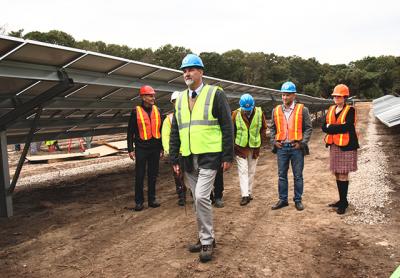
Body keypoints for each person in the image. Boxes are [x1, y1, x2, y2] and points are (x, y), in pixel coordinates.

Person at [169, 54, 234, 263]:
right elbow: (175, 131)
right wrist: (174, 159)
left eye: (192, 69)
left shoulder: (215, 94)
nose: (187, 73)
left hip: (209, 155)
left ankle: (207, 241)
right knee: (197, 200)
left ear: (201, 72)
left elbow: (226, 125)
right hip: (188, 157)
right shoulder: (179, 99)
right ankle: (204, 237)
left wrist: (227, 155)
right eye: (184, 70)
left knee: (201, 197)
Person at [270, 81, 312, 211]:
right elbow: (272, 128)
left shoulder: (302, 110)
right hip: (282, 147)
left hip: (296, 148)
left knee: (298, 175)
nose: (284, 97)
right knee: (282, 175)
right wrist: (274, 141)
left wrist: (302, 143)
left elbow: (308, 128)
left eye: (287, 95)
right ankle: (283, 200)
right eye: (283, 95)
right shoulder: (276, 110)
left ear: (294, 95)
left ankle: (298, 200)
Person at [322, 84, 359, 214]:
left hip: (347, 146)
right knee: (337, 173)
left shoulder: (351, 110)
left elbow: (347, 127)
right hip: (334, 145)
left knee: (343, 174)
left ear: (345, 97)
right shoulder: (331, 109)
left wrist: (330, 126)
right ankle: (341, 200)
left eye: (339, 96)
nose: (336, 98)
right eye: (335, 96)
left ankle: (343, 203)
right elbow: (323, 127)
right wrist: (334, 126)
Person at [127, 85, 163, 211]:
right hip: (141, 148)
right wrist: (130, 149)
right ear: (143, 97)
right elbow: (130, 132)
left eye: (153, 95)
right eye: (150, 95)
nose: (153, 97)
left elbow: (161, 130)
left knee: (153, 175)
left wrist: (162, 148)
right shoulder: (135, 111)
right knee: (140, 175)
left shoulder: (158, 110)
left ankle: (152, 199)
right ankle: (139, 201)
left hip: (155, 147)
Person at [232, 93, 268, 206]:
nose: (247, 112)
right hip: (240, 148)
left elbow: (263, 128)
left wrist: (260, 141)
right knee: (243, 170)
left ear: (253, 106)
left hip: (254, 147)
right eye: (245, 110)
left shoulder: (259, 113)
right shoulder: (235, 114)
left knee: (251, 171)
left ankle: (249, 192)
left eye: (249, 109)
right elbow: (231, 130)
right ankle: (245, 195)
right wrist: (233, 145)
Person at [162, 91, 186, 206]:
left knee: (193, 173)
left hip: (189, 150)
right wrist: (169, 151)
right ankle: (181, 195)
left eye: (178, 101)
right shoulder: (169, 119)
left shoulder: (190, 114)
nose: (177, 104)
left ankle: (195, 193)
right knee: (178, 175)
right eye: (175, 102)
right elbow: (166, 136)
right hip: (177, 152)